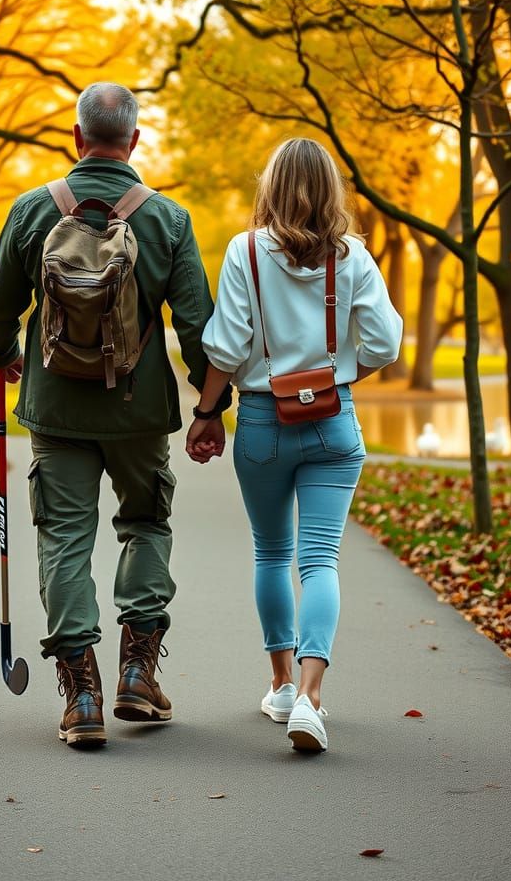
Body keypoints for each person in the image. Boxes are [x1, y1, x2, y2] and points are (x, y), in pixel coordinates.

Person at [0, 82, 229, 749]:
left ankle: (82, 694)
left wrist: (1, 352)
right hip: (139, 412)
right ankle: (137, 674)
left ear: (76, 137)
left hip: (56, 409)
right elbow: (198, 324)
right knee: (145, 521)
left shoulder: (34, 211)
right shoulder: (167, 220)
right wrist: (209, 406)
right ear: (136, 141)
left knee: (63, 535)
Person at [186, 138, 402, 753]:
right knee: (320, 561)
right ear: (331, 191)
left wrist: (205, 414)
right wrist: (337, 378)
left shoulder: (244, 251)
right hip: (334, 425)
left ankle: (280, 686)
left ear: (269, 187)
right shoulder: (354, 256)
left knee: (272, 553)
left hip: (260, 421)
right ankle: (312, 698)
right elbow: (385, 345)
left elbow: (224, 347)